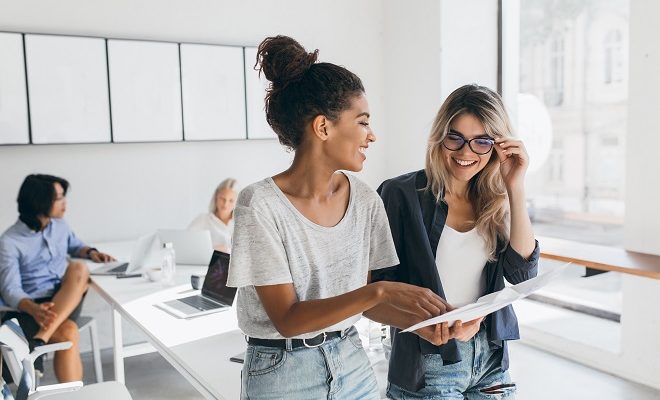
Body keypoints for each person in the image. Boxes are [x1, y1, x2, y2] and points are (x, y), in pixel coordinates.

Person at [226, 35, 453, 400]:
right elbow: (288, 319)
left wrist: (422, 324)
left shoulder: (365, 200)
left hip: (351, 361)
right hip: (283, 373)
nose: (372, 135)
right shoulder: (260, 205)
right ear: (323, 127)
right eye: (362, 122)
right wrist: (377, 290)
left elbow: (365, 304)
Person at [369, 84, 540, 399]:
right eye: (455, 138)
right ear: (439, 136)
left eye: (481, 142)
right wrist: (425, 327)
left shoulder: (496, 198)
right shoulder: (400, 194)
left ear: (497, 145)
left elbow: (522, 276)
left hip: (490, 359)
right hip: (427, 361)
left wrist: (515, 185)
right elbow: (376, 290)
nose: (465, 153)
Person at [0, 174, 114, 383]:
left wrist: (90, 252)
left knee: (79, 267)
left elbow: (75, 246)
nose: (65, 203)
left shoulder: (60, 226)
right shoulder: (10, 241)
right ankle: (76, 397)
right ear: (40, 202)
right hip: (32, 308)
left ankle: (39, 340)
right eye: (59, 198)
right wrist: (34, 309)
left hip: (63, 298)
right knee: (69, 331)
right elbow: (10, 289)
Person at [188, 178, 238, 252]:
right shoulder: (203, 220)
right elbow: (186, 243)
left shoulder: (242, 223)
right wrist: (211, 250)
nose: (225, 204)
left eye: (231, 200)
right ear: (216, 197)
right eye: (222, 199)